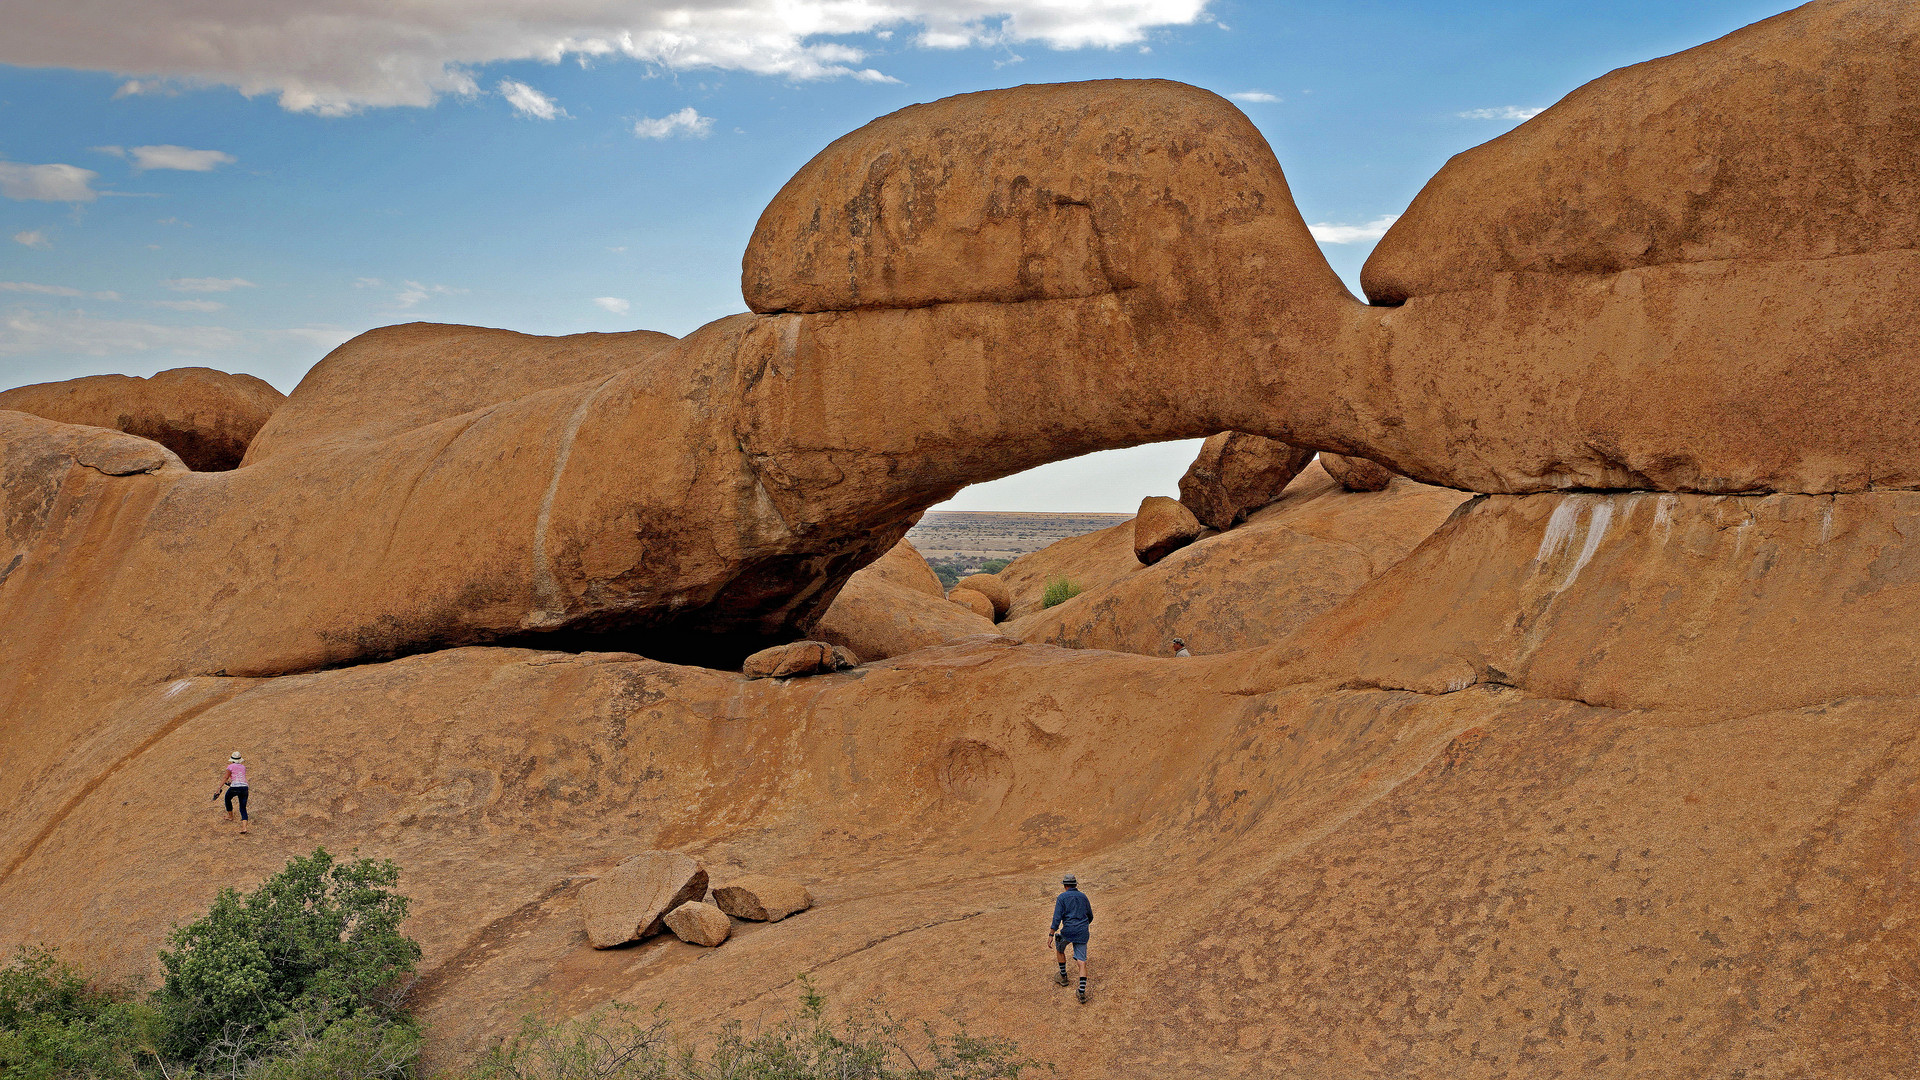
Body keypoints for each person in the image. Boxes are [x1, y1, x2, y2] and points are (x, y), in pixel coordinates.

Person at [1049, 873, 1093, 1002]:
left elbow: (1057, 917)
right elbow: (1090, 915)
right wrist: (1082, 926)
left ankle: (1063, 977)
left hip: (1068, 931)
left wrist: (1051, 933)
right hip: (1082, 932)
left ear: (1065, 885)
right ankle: (1081, 992)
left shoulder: (1062, 898)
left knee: (1060, 947)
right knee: (1082, 961)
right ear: (1075, 885)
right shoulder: (1083, 897)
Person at [217, 751, 249, 834]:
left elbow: (225, 777)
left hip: (235, 787)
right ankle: (244, 827)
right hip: (245, 787)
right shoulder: (243, 767)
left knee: (227, 798)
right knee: (243, 808)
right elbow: (239, 777)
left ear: (232, 760)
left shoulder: (230, 766)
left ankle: (230, 816)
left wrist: (219, 788)